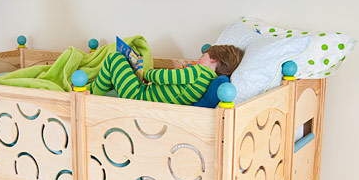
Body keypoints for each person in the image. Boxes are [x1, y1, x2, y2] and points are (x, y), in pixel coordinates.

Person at [91, 44, 244, 106]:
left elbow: (166, 77)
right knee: (117, 72)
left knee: (115, 58)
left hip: (138, 96)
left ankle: (91, 96)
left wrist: (147, 73)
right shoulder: (208, 81)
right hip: (148, 99)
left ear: (213, 59)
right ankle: (93, 88)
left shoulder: (199, 72)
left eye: (203, 56)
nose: (198, 60)